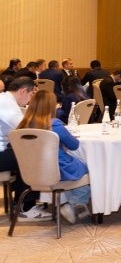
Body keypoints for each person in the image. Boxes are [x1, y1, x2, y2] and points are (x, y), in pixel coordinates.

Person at [16, 89, 92, 224]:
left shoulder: (23, 125)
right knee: (88, 168)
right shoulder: (55, 124)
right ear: (51, 106)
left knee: (77, 169)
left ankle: (73, 205)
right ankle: (74, 203)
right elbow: (74, 145)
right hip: (57, 170)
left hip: (33, 172)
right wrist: (63, 142)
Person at [0, 77, 47, 220]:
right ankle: (27, 206)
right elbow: (26, 130)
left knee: (26, 151)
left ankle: (19, 201)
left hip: (3, 148)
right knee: (32, 155)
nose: (30, 100)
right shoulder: (6, 104)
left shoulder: (6, 100)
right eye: (32, 95)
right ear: (23, 91)